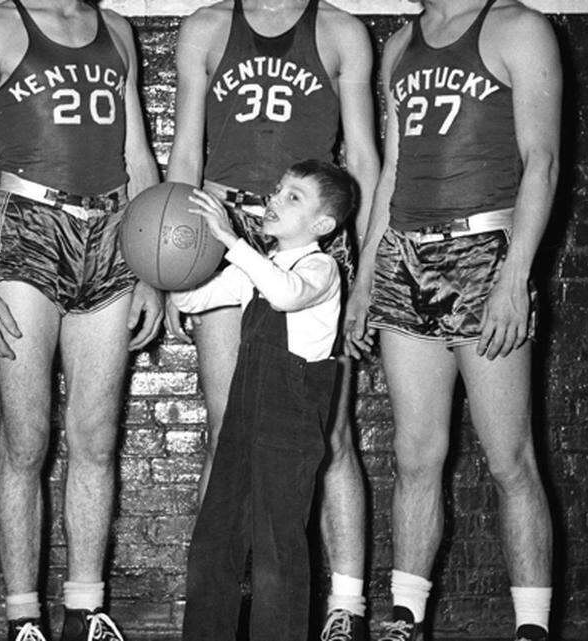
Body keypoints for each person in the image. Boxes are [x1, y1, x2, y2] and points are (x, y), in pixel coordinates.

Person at [0, 1, 162, 640]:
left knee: (96, 437)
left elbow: (139, 158)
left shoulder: (117, 29)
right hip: (28, 229)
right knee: (26, 439)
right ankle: (23, 618)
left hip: (114, 233)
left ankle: (86, 609)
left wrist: (150, 269)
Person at [343, 0, 562, 639]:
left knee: (509, 458)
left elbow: (541, 163)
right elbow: (389, 176)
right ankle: (405, 618)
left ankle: (532, 626)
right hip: (405, 254)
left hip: (483, 253)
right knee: (415, 456)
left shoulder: (519, 28)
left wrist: (515, 277)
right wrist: (365, 281)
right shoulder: (401, 44)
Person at [163, 2, 380, 637]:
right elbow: (184, 157)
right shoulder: (206, 28)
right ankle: (228, 610)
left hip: (306, 235)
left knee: (327, 436)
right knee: (229, 430)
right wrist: (173, 272)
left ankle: (345, 609)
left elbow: (363, 162)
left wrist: (362, 273)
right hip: (223, 225)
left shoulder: (339, 31)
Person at [173, 160, 356, 641]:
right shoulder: (264, 266)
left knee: (278, 552)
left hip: (289, 422)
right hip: (244, 416)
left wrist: (233, 242)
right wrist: (180, 255)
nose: (274, 199)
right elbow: (194, 300)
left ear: (321, 225)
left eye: (293, 196)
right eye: (277, 189)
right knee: (216, 539)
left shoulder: (321, 268)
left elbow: (286, 296)